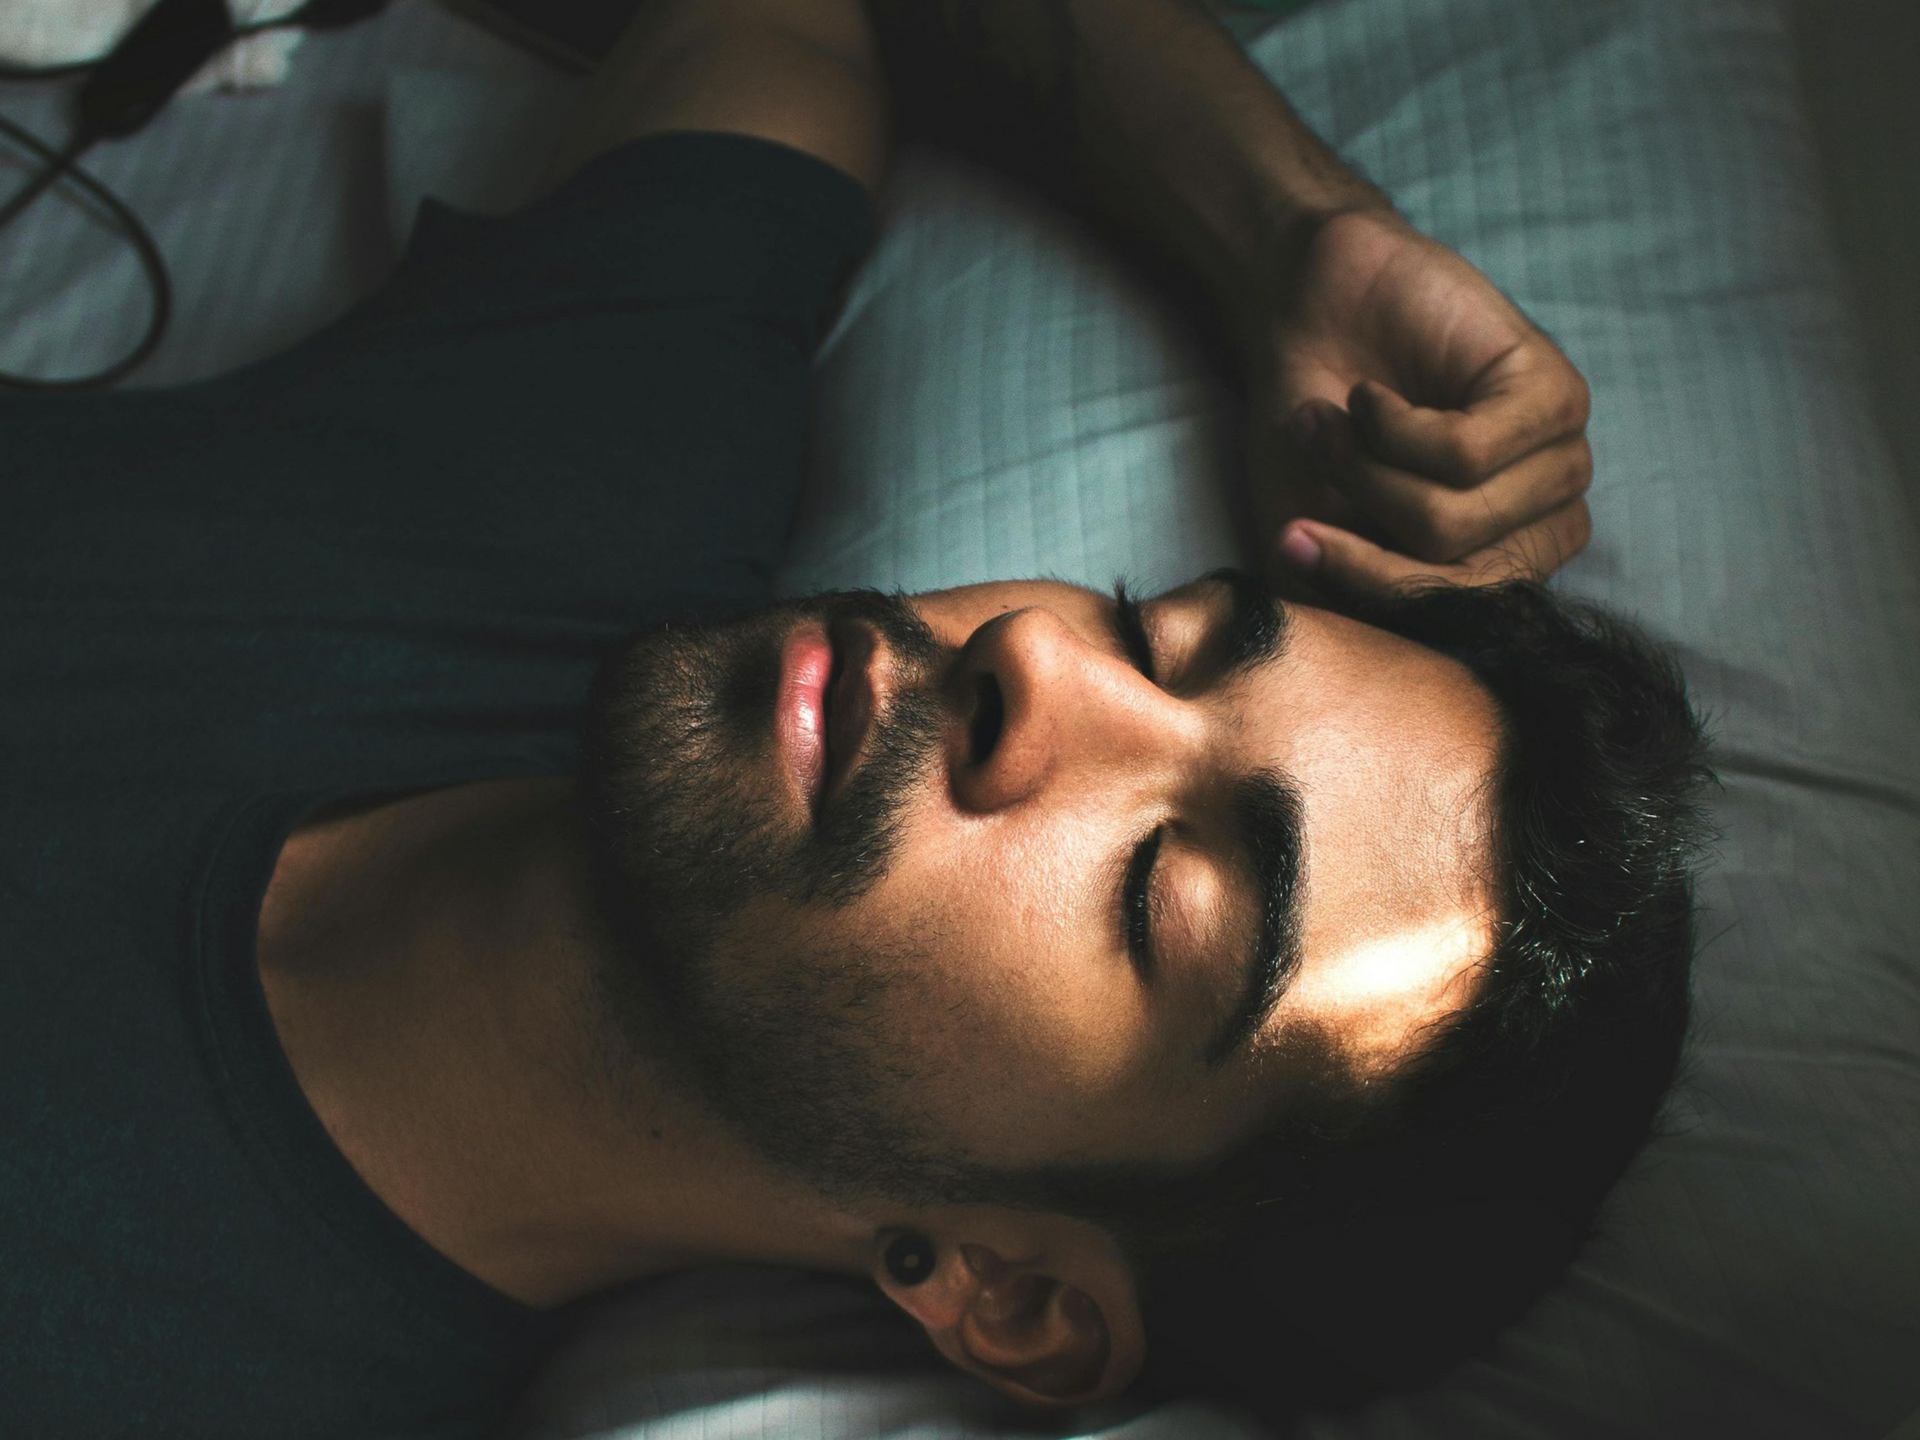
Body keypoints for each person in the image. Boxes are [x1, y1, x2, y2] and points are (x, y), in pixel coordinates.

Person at [0, 0, 1712, 1435]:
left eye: (1159, 890)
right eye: (1158, 637)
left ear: (1014, 1296)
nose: (1041, 664)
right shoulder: (572, 485)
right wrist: (1293, 236)